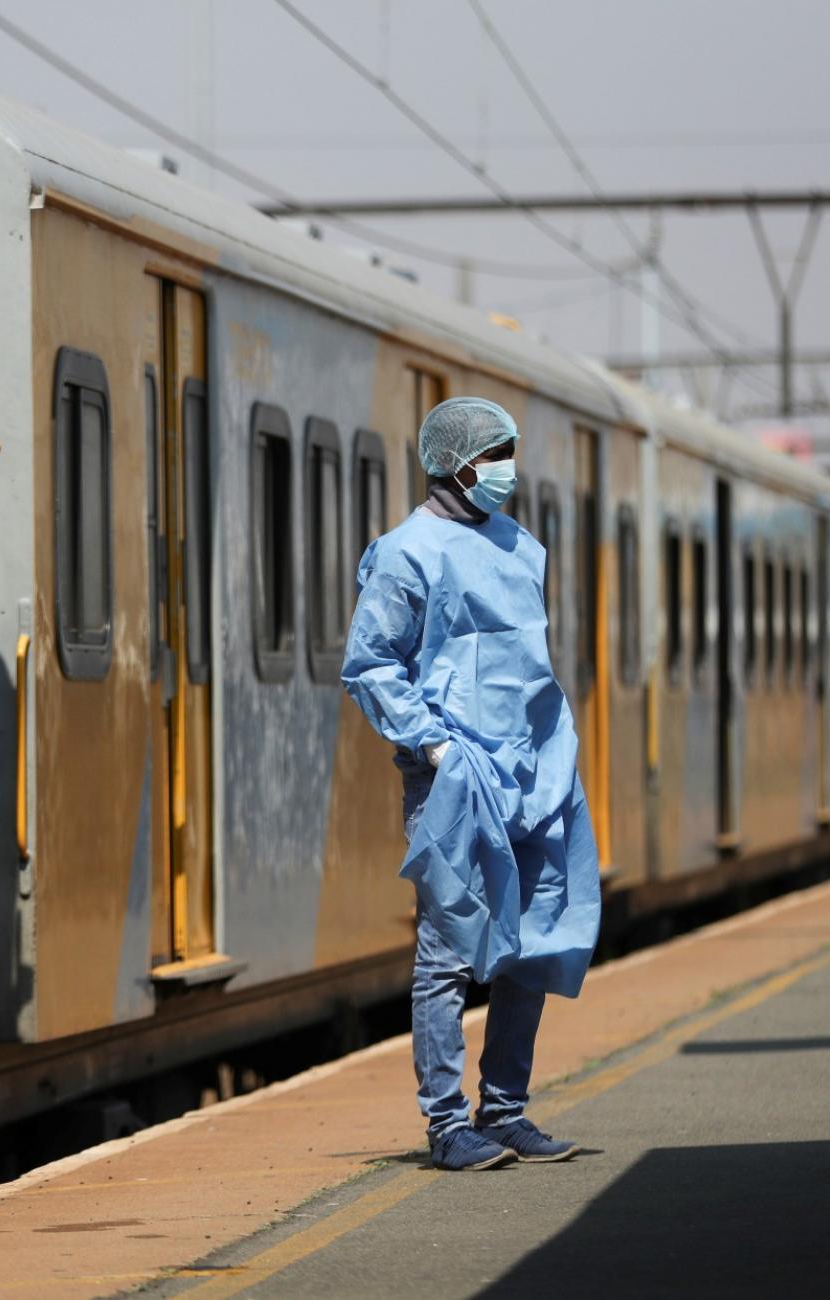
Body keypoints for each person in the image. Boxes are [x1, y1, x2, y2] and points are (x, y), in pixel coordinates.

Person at [341, 396, 602, 1172]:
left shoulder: (524, 548)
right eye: (497, 453)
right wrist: (432, 746)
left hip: (534, 772)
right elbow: (371, 663)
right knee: (449, 951)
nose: (507, 468)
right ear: (456, 463)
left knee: (533, 942)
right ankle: (447, 1123)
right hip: (454, 777)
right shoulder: (405, 553)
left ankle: (507, 1109)